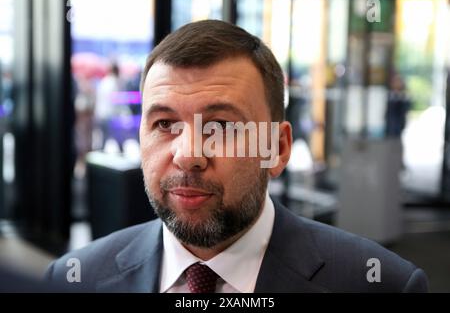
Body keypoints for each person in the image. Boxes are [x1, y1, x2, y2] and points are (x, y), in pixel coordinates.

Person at [45, 20, 428, 293]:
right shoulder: (73, 280)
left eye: (222, 127)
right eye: (165, 124)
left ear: (277, 149)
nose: (188, 155)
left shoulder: (377, 283)